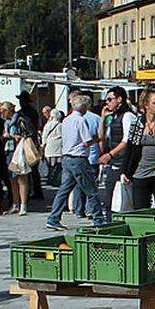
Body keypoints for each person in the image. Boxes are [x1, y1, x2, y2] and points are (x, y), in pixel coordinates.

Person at [46, 94, 106, 230]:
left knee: (64, 189)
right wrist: (97, 139)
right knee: (91, 190)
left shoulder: (66, 120)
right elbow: (86, 142)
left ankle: (53, 217)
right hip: (78, 158)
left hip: (66, 157)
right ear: (85, 107)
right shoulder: (81, 121)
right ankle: (98, 219)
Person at [98, 86, 135, 213]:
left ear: (119, 99)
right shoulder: (113, 118)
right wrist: (102, 119)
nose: (107, 103)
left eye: (109, 99)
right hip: (113, 163)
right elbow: (101, 137)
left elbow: (127, 140)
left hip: (122, 162)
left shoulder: (127, 116)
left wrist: (110, 154)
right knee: (109, 199)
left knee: (120, 200)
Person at [2, 101, 38, 216]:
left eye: (3, 111)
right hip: (9, 151)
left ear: (9, 110)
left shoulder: (20, 120)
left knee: (22, 178)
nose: (2, 113)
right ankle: (15, 203)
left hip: (20, 151)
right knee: (12, 179)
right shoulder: (6, 122)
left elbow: (27, 135)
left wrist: (12, 136)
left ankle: (23, 204)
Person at [71, 94, 103, 218]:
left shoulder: (69, 119)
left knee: (79, 184)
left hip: (76, 155)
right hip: (92, 155)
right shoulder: (95, 118)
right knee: (91, 185)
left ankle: (79, 209)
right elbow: (99, 137)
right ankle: (91, 210)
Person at [41, 108, 64, 187]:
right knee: (58, 163)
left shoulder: (48, 125)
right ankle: (56, 179)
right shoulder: (61, 124)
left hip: (50, 145)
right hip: (59, 145)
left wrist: (43, 145)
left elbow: (44, 136)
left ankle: (50, 178)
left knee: (50, 164)